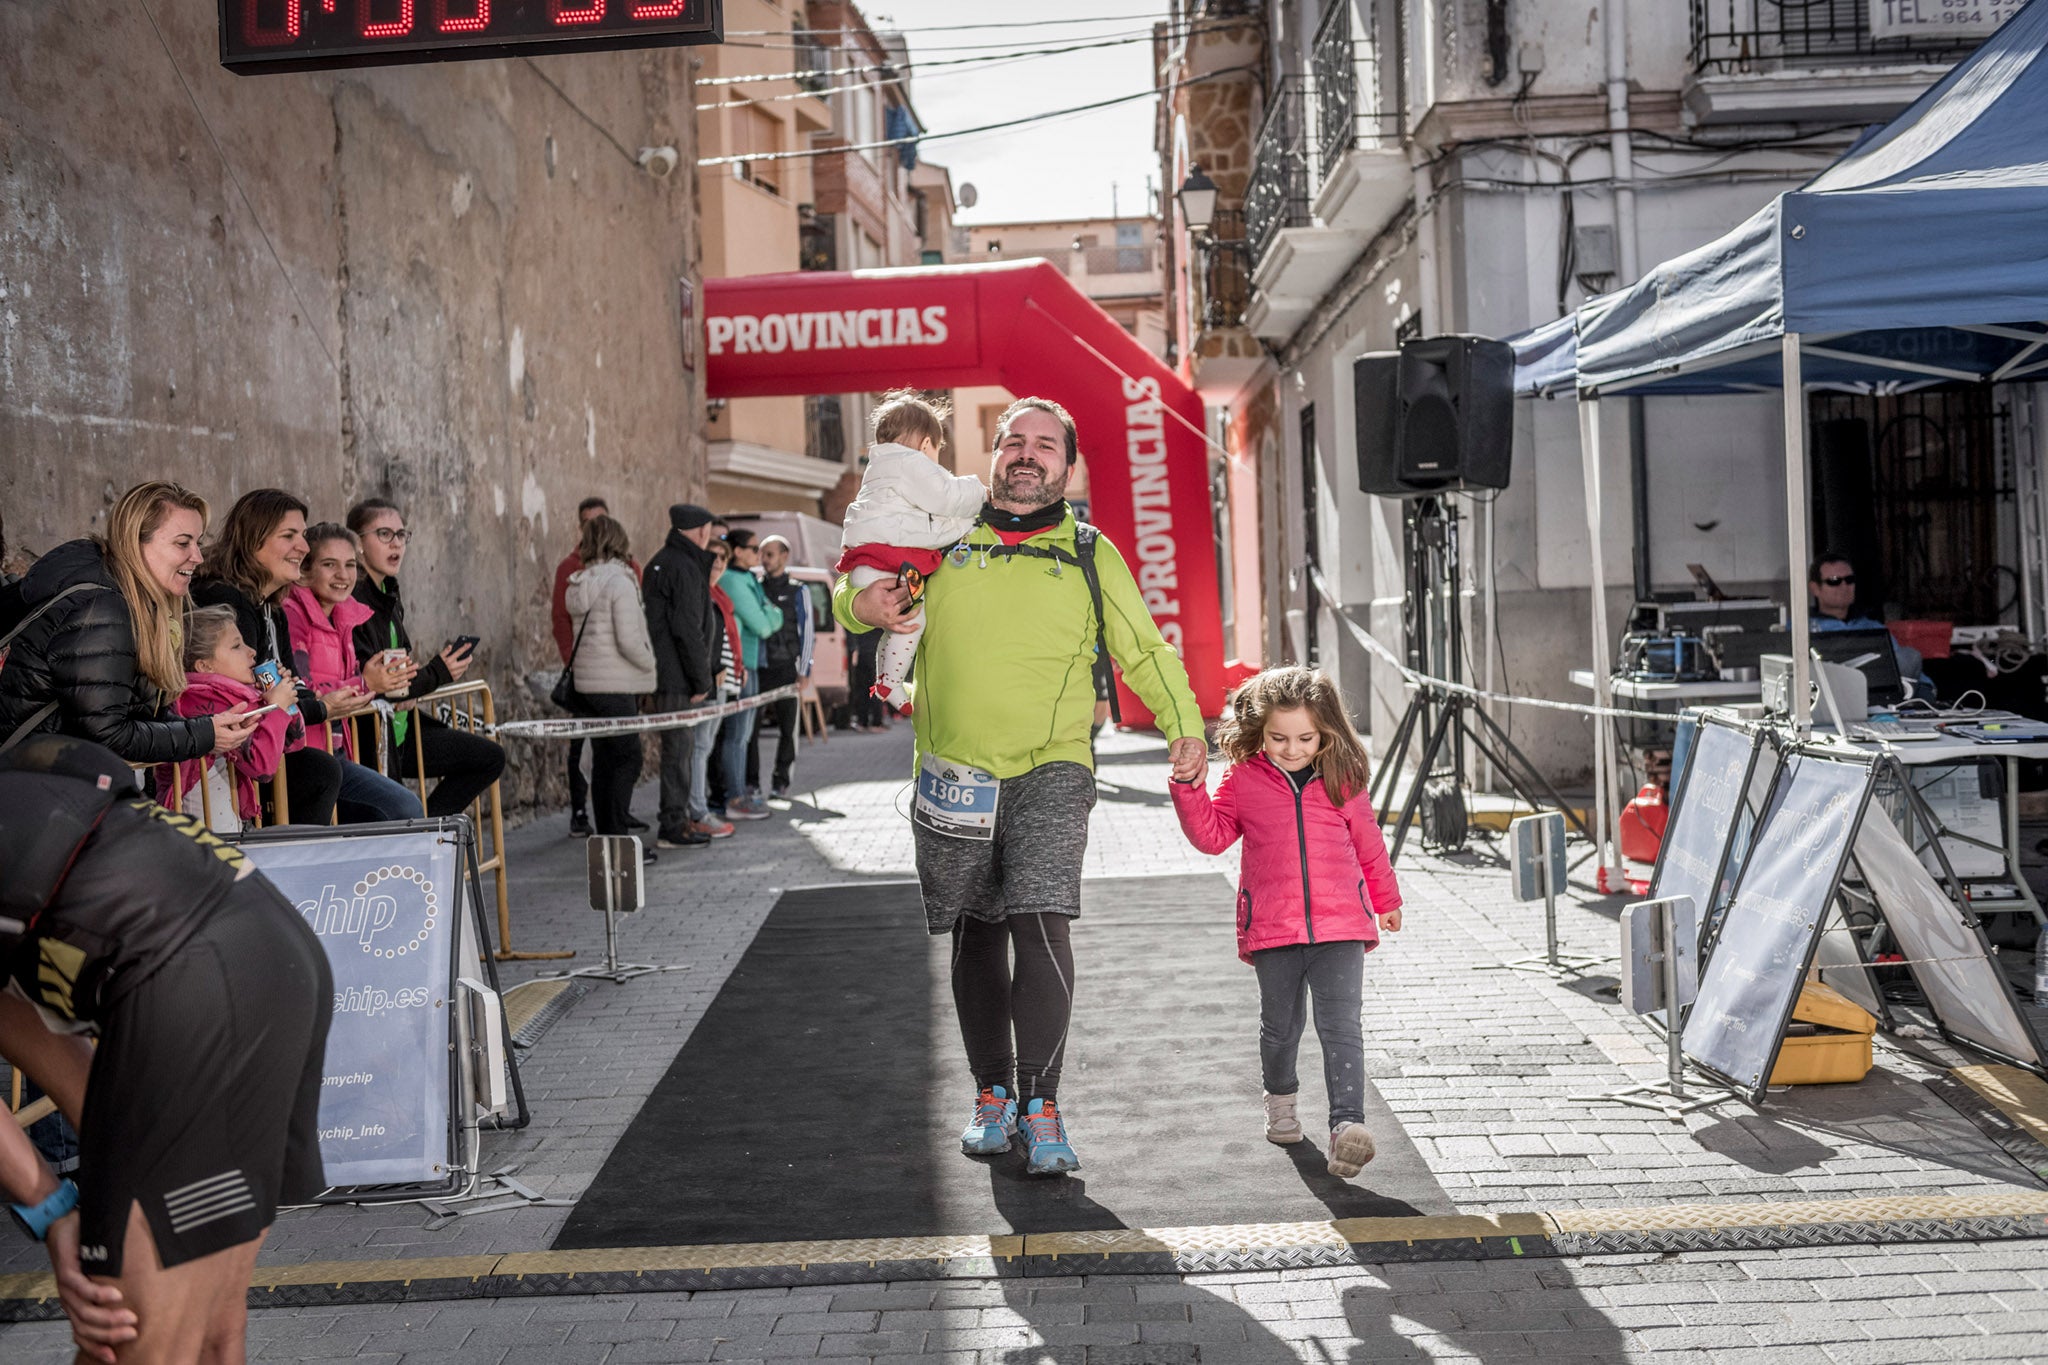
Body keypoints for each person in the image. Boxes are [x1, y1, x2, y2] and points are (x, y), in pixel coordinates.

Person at [836, 395, 1208, 1176]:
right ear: (994, 452)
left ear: (1067, 467)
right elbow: (864, 579)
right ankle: (991, 1096)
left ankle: (1041, 1104)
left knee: (1041, 916)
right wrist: (858, 602)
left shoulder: (1088, 549)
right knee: (977, 929)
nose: (1027, 454)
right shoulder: (946, 527)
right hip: (953, 768)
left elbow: (1143, 647)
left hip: (1053, 763)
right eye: (1014, 441)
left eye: (1045, 445)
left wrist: (1185, 726)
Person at [0, 734, 330, 1365]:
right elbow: (28, 1030)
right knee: (209, 1335)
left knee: (132, 1345)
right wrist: (100, 1188)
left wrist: (57, 1212)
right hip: (273, 943)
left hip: (194, 980)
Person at [1168, 665, 1403, 1179]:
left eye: (1304, 737)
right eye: (1278, 737)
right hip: (1273, 929)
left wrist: (1386, 899)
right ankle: (1281, 1104)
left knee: (1342, 1026)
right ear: (1260, 733)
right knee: (1281, 1029)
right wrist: (1189, 788)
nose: (1292, 748)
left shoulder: (1344, 779)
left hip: (1340, 927)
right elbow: (1211, 837)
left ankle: (1347, 1126)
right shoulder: (1244, 778)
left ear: (1325, 732)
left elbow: (1369, 845)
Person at [0, 481, 261, 766]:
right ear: (136, 542)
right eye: (182, 543)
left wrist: (206, 727)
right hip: (30, 781)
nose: (197, 557)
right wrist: (202, 735)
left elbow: (130, 713)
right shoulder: (102, 609)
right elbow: (108, 735)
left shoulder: (123, 596)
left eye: (197, 543)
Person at [191, 490, 364, 825]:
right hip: (230, 762)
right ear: (252, 539)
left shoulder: (272, 608)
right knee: (320, 772)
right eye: (289, 536)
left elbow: (290, 688)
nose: (303, 546)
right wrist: (320, 706)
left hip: (273, 750)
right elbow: (256, 696)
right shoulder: (227, 601)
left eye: (302, 535)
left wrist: (298, 699)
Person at [346, 498, 508, 818]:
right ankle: (422, 832)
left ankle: (428, 829)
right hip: (374, 737)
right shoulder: (355, 601)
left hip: (404, 728)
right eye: (384, 534)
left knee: (489, 757)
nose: (396, 544)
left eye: (401, 535)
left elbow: (401, 670)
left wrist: (418, 682)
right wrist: (439, 671)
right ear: (358, 543)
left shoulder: (389, 593)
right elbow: (382, 681)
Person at [834, 391, 986, 713]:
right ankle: (891, 681)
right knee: (911, 622)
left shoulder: (881, 468)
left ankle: (887, 680)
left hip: (870, 563)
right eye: (938, 451)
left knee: (896, 627)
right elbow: (946, 499)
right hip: (886, 562)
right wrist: (979, 492)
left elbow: (921, 523)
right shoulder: (910, 463)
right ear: (926, 443)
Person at [285, 523, 419, 820]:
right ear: (306, 570)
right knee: (401, 809)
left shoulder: (345, 617)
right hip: (306, 759)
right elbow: (304, 689)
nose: (343, 576)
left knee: (401, 813)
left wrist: (392, 683)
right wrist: (365, 682)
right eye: (329, 565)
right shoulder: (293, 615)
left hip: (339, 752)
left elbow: (357, 683)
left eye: (349, 565)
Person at [157, 604, 303, 831]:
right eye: (236, 646)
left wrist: (285, 700)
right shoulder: (201, 702)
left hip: (229, 823)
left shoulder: (234, 695)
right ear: (204, 665)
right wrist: (277, 707)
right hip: (205, 832)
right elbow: (262, 767)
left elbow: (294, 742)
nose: (251, 651)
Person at [564, 514, 658, 854]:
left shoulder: (580, 581)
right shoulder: (620, 582)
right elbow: (629, 640)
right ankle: (620, 844)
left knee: (604, 763)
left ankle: (607, 840)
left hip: (587, 687)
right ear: (619, 542)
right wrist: (651, 666)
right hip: (615, 686)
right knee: (627, 760)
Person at [554, 497, 643, 837]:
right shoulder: (572, 569)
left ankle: (614, 827)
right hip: (604, 677)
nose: (594, 527)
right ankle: (598, 823)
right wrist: (572, 665)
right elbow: (562, 623)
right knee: (617, 754)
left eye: (599, 521)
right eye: (588, 521)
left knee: (608, 756)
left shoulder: (626, 569)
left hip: (609, 677)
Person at [642, 503, 719, 849]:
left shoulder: (662, 562)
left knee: (679, 752)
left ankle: (679, 819)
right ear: (701, 532)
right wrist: (702, 681)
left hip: (666, 674)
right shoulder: (683, 567)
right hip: (677, 680)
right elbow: (688, 630)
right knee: (678, 753)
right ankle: (673, 826)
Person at [712, 527, 782, 821]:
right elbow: (765, 623)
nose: (758, 555)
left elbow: (771, 615)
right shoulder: (731, 579)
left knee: (743, 735)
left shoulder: (748, 579)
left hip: (751, 663)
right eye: (754, 549)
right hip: (740, 665)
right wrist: (767, 610)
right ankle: (734, 797)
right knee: (736, 735)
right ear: (737, 551)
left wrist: (767, 610)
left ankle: (738, 793)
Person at [1808, 550, 1929, 693]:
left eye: (1849, 580)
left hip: (1881, 702)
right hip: (1829, 701)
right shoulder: (1802, 628)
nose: (1844, 587)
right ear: (1815, 588)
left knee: (1909, 656)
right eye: (1834, 581)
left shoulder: (1875, 628)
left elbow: (1916, 678)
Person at [750, 534, 813, 799]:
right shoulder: (756, 587)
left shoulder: (799, 590)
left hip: (788, 668)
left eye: (770, 554)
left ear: (784, 556)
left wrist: (804, 670)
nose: (765, 560)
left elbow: (807, 630)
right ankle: (750, 783)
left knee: (788, 729)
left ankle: (781, 781)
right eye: (762, 554)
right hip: (759, 668)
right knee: (749, 730)